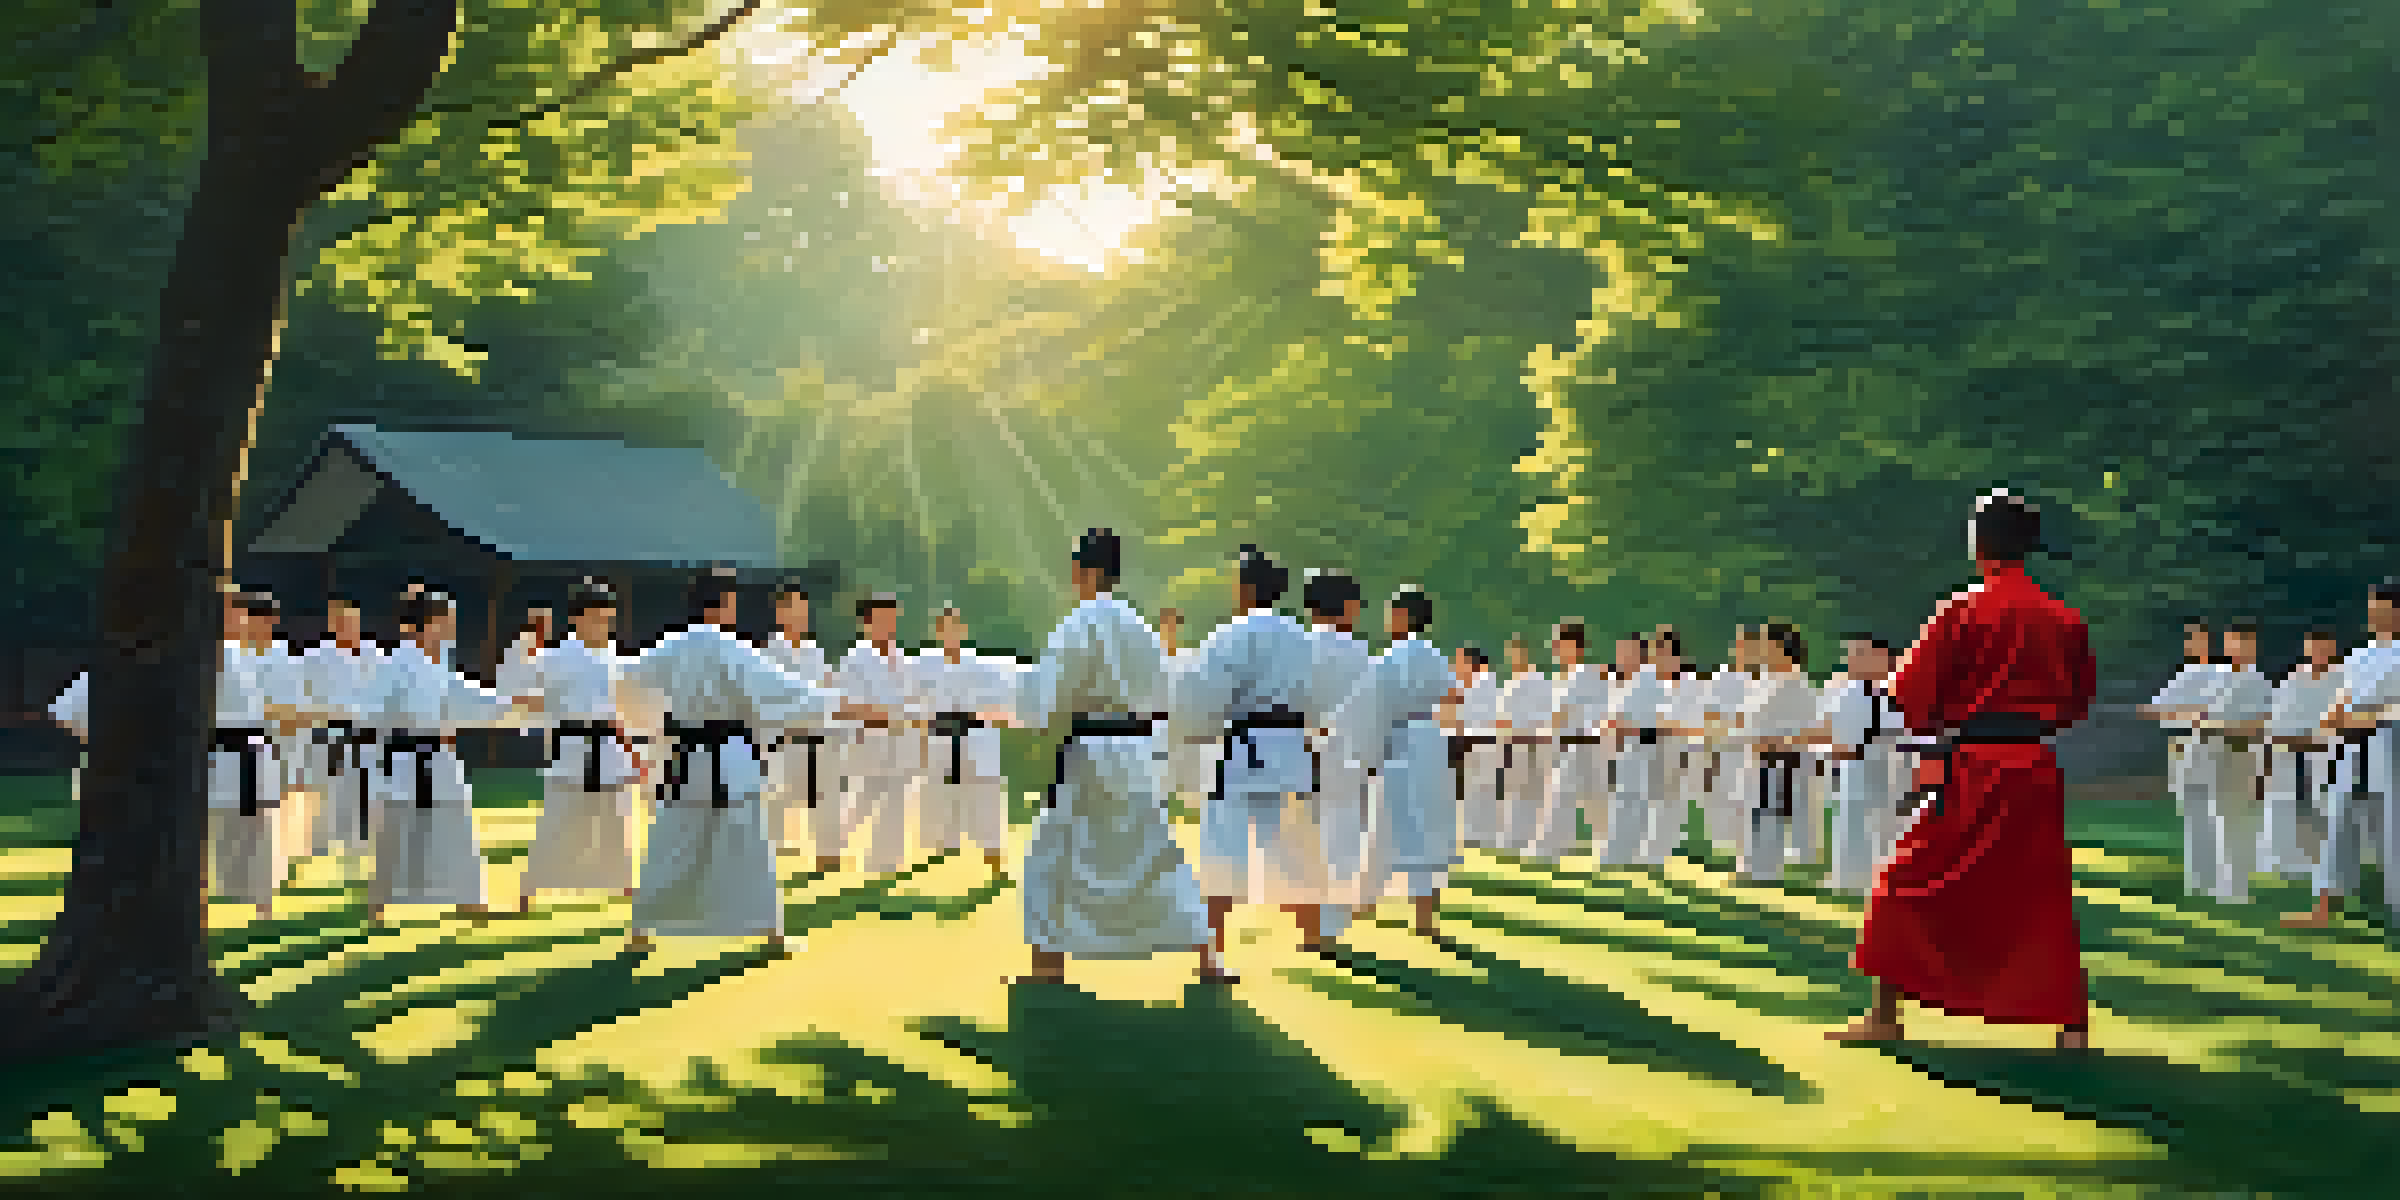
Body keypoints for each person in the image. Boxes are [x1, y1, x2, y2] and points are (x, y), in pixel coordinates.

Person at [1831, 488, 2097, 1052]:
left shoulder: (1960, 610)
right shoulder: (2064, 618)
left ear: (1980, 544)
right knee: (2041, 892)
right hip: (2034, 768)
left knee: (1902, 881)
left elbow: (1909, 698)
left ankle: (1884, 1017)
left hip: (1974, 767)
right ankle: (2072, 1028)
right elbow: (2077, 705)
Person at [617, 569, 882, 955]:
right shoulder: (732, 648)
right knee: (751, 846)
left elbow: (626, 686)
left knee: (670, 841)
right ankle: (773, 935)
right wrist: (844, 707)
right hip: (729, 758)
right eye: (732, 602)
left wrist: (646, 740)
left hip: (686, 758)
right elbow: (782, 691)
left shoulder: (668, 648)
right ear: (723, 603)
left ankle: (639, 933)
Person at [1012, 528, 1217, 985]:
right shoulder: (1140, 628)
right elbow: (1165, 693)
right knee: (1156, 854)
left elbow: (1052, 693)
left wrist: (1023, 709)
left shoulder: (1079, 623)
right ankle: (1208, 959)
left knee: (1054, 853)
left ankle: (1046, 968)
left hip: (1090, 751)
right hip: (1138, 752)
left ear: (1082, 572)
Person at [1172, 546, 1326, 954]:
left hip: (1245, 748)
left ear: (1245, 589)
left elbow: (1204, 697)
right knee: (1293, 847)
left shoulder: (1230, 635)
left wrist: (1192, 734)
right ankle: (1313, 934)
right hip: (1291, 747)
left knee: (1222, 852)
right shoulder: (1302, 638)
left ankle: (1210, 951)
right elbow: (1315, 697)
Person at [360, 587, 518, 924]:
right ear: (420, 626)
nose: (450, 628)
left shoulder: (440, 662)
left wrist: (511, 704)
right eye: (444, 621)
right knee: (396, 831)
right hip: (402, 758)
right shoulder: (395, 664)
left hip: (439, 756)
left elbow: (465, 697)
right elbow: (370, 713)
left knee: (457, 825)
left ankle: (471, 901)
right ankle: (378, 905)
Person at [1329, 586, 1461, 937]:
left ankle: (1365, 899)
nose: (1387, 618)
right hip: (1429, 738)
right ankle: (1424, 917)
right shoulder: (1434, 654)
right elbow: (1454, 695)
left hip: (1399, 737)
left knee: (1383, 820)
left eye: (1391, 612)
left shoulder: (1388, 658)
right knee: (1427, 825)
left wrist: (1362, 751)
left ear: (1403, 616)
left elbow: (1371, 705)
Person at [517, 581, 643, 912]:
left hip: (612, 748)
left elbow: (629, 708)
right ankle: (527, 890)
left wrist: (638, 752)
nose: (603, 625)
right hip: (572, 748)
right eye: (596, 618)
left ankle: (628, 887)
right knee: (556, 822)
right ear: (577, 619)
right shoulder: (558, 656)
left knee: (620, 822)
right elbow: (530, 693)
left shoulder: (619, 657)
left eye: (607, 618)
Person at [2293, 583, 2400, 928]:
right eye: (2371, 609)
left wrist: (2370, 717)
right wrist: (2325, 730)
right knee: (2338, 824)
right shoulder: (2358, 655)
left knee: (2393, 826)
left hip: (2391, 742)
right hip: (2351, 746)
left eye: (2380, 609)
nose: (2373, 615)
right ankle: (2323, 908)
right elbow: (2340, 702)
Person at [915, 606, 1018, 874]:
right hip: (941, 738)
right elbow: (914, 701)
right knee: (940, 802)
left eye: (954, 627)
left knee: (986, 802)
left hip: (977, 738)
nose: (949, 633)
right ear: (937, 632)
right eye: (943, 628)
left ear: (962, 630)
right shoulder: (924, 664)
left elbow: (1002, 704)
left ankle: (994, 862)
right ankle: (940, 861)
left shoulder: (984, 666)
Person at [1299, 570, 1374, 936]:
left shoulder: (1296, 647)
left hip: (1301, 749)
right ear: (1345, 607)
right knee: (1343, 835)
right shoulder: (1362, 655)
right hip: (1348, 754)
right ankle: (1331, 923)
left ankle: (1307, 924)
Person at [835, 593, 925, 877]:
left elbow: (914, 702)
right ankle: (836, 834)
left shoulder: (903, 659)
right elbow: (849, 704)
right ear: (867, 623)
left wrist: (917, 734)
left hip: (901, 741)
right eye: (881, 620)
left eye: (892, 619)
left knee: (896, 801)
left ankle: (885, 865)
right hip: (868, 740)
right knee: (863, 801)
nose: (888, 626)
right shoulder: (855, 659)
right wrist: (887, 715)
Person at [2139, 619, 2228, 899]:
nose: (2193, 645)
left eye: (2198, 639)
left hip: (2220, 747)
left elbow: (2222, 712)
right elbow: (2152, 711)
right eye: (2190, 640)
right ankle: (2199, 876)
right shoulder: (2184, 674)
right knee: (2193, 811)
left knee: (2218, 811)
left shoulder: (2222, 672)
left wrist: (2188, 713)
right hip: (2186, 746)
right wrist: (2191, 713)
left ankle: (2221, 875)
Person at [295, 593, 383, 868]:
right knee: (325, 791)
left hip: (364, 734)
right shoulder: (314, 656)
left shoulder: (374, 654)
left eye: (350, 620)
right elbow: (303, 697)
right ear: (332, 623)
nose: (346, 625)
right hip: (328, 732)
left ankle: (359, 845)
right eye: (340, 620)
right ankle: (320, 845)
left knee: (363, 789)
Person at [759, 583, 840, 868]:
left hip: (816, 736)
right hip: (782, 739)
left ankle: (827, 855)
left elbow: (826, 693)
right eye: (792, 608)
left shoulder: (814, 651)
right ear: (780, 612)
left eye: (803, 609)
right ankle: (771, 855)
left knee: (826, 796)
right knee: (777, 798)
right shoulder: (768, 653)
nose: (799, 614)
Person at [2192, 622, 2273, 903]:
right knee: (2214, 819)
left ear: (2253, 647)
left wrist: (2264, 769)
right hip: (2213, 753)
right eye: (2233, 642)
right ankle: (2218, 881)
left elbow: (2262, 725)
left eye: (2244, 643)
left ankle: (2236, 887)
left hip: (2242, 754)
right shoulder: (2216, 680)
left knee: (2235, 821)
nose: (2238, 649)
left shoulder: (2258, 682)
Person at [2265, 630, 2344, 910]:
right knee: (2295, 809)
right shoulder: (2294, 679)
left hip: (2330, 754)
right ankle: (2294, 863)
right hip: (2294, 752)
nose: (2319, 652)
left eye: (2325, 647)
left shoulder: (2343, 678)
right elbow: (2279, 718)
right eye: (2315, 647)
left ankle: (2327, 870)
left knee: (2327, 814)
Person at [1821, 634, 1903, 895]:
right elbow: (1830, 728)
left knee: (1884, 824)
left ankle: (1880, 879)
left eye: (1860, 654)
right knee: (1850, 820)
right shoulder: (1848, 692)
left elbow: (1902, 730)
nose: (1851, 660)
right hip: (1853, 766)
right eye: (1852, 654)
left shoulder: (1897, 690)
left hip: (1888, 765)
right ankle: (1848, 879)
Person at [1738, 625, 1819, 883]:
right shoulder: (1765, 682)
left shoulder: (1799, 686)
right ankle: (1751, 867)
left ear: (1783, 650)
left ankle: (1763, 871)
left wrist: (1779, 742)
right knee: (1756, 814)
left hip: (1782, 761)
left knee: (1769, 814)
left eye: (1767, 646)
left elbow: (1812, 731)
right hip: (1758, 759)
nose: (1762, 652)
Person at [1527, 620, 1601, 864]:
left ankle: (1544, 853)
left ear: (1576, 647)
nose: (1555, 647)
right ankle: (1617, 853)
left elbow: (1562, 716)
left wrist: (1540, 737)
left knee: (1560, 799)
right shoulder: (1568, 677)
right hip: (1578, 748)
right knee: (1595, 809)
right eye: (1555, 642)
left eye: (1560, 642)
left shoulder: (1582, 674)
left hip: (1583, 747)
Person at [1600, 633, 1675, 868]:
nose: (1621, 657)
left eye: (1626, 652)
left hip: (1642, 749)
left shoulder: (1649, 680)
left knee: (1633, 804)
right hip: (1627, 749)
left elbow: (1659, 722)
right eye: (1620, 651)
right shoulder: (1627, 682)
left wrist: (1623, 730)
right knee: (1624, 803)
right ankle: (1618, 855)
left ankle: (1622, 856)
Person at [1158, 607, 1221, 825]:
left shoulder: (1192, 659)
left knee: (1201, 792)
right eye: (1166, 624)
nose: (1170, 629)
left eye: (1174, 624)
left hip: (1191, 733)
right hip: (1162, 733)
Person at [1452, 645, 1503, 850]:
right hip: (1474, 740)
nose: (1457, 666)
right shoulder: (1480, 682)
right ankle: (1476, 833)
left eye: (1461, 661)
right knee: (1474, 790)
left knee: (1479, 789)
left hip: (1480, 740)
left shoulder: (1483, 683)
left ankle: (1480, 834)